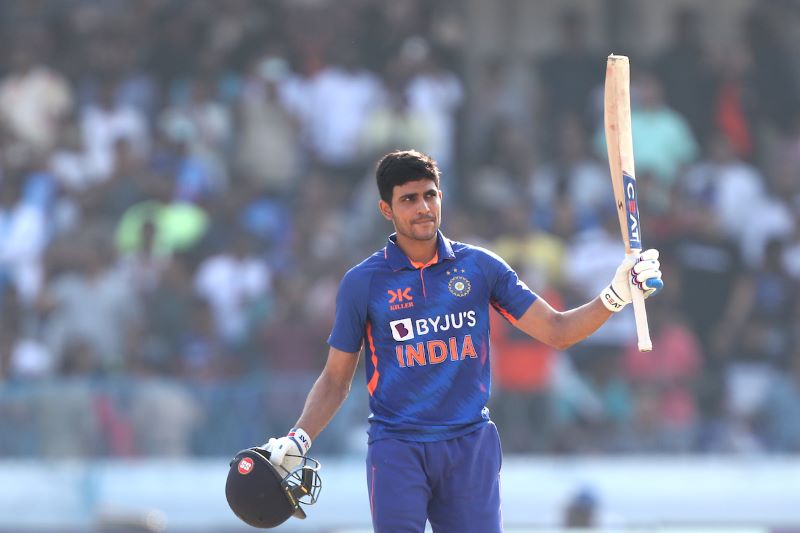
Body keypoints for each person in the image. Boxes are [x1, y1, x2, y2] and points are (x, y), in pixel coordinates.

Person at [262, 150, 663, 532]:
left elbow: (558, 331)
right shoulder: (362, 282)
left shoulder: (480, 267)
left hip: (469, 444)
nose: (423, 207)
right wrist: (299, 439)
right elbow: (336, 379)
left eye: (429, 195)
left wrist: (616, 294)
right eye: (408, 199)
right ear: (386, 209)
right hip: (398, 446)